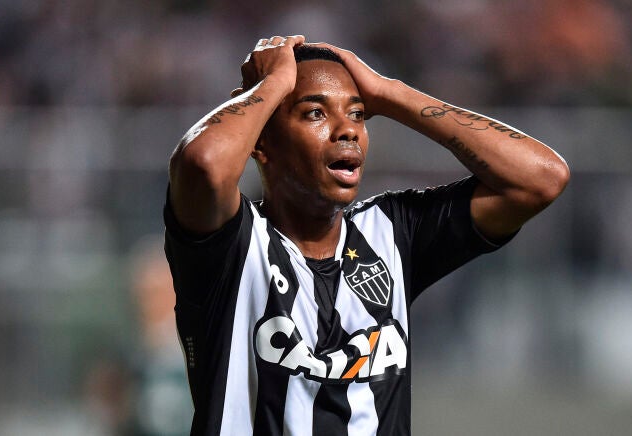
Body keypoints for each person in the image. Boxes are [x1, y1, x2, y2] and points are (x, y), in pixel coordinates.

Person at [163, 35, 569, 435]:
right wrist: (272, 84)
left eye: (358, 114)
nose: (348, 130)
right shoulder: (231, 247)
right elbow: (204, 163)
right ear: (261, 142)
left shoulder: (392, 233)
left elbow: (541, 179)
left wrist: (390, 94)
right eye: (315, 113)